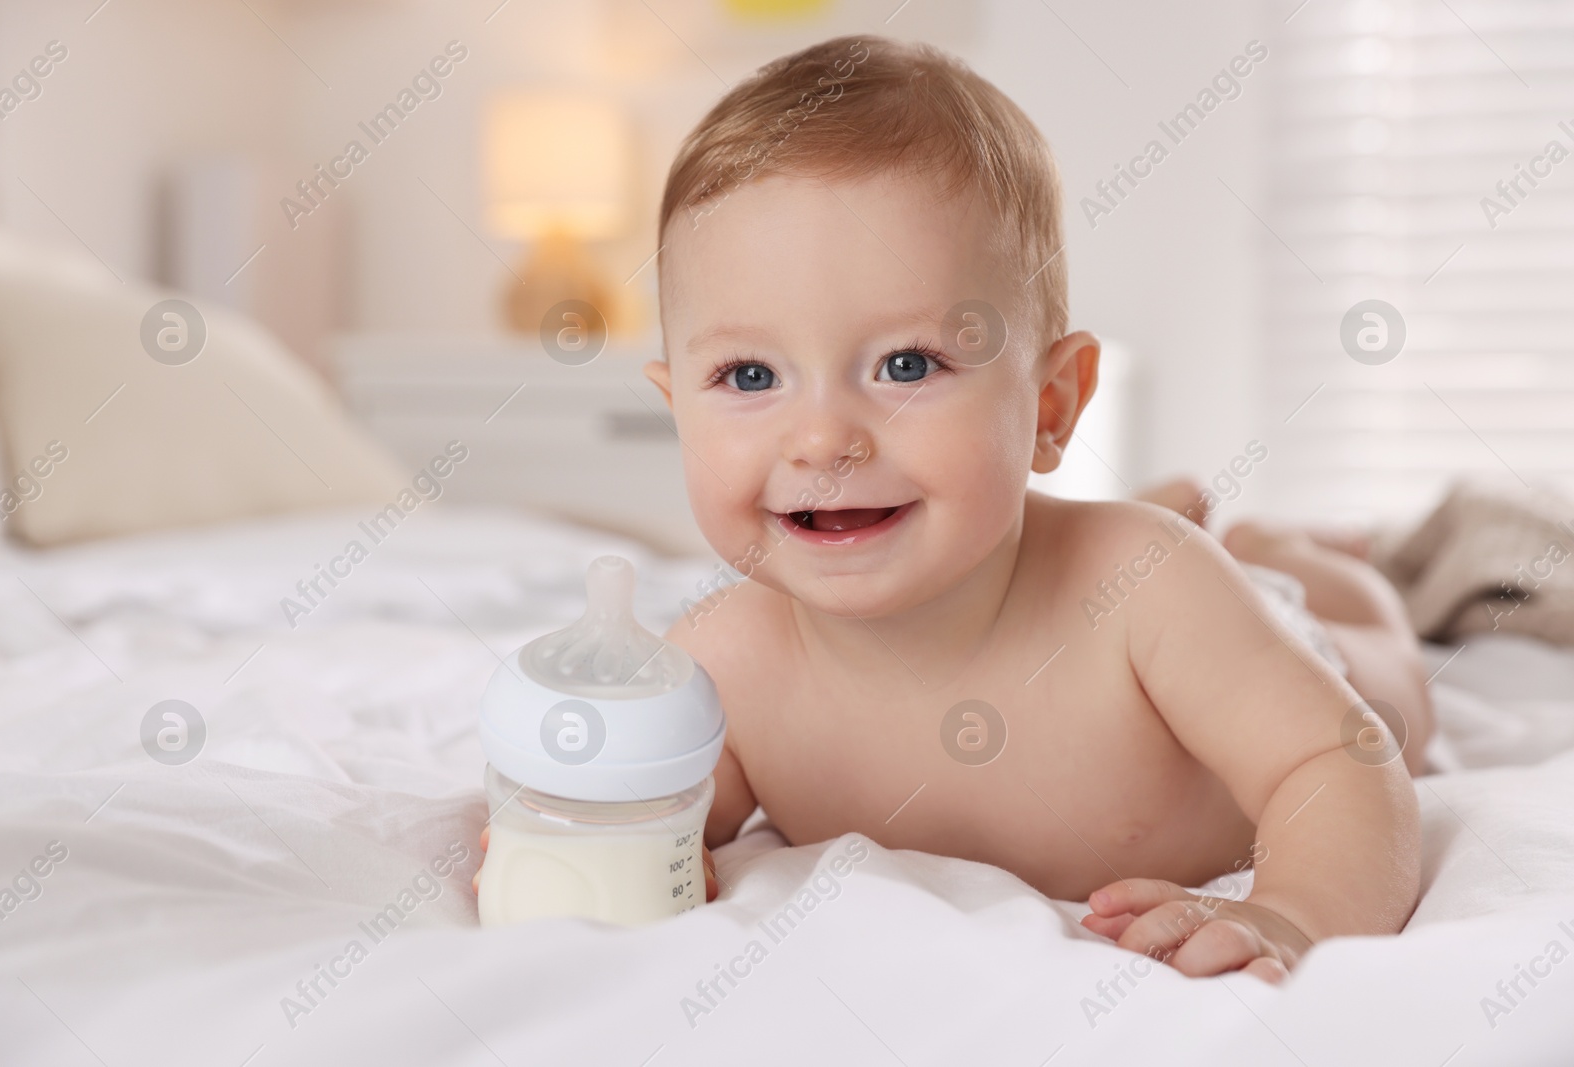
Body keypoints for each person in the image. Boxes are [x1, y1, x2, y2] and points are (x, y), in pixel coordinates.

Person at [478, 35, 1431, 983]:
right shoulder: (725, 660)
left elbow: (1341, 760)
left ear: (1049, 405)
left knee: (1384, 661)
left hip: (1284, 635)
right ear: (677, 406)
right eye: (750, 374)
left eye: (907, 365)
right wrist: (581, 842)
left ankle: (1293, 551)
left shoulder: (1147, 592)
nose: (820, 440)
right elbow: (665, 819)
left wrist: (1296, 910)